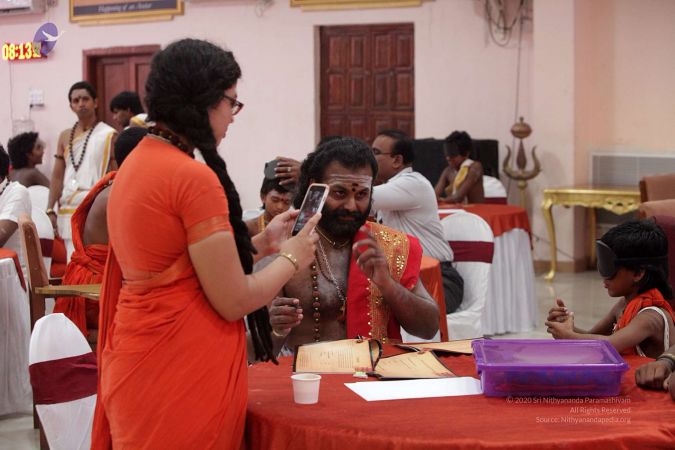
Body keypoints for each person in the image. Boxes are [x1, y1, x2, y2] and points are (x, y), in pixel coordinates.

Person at [91, 38, 319, 450]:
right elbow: (234, 300)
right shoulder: (191, 177)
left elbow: (179, 264)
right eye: (232, 102)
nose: (232, 116)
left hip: (142, 357)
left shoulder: (139, 159)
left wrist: (263, 243)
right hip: (181, 368)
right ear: (204, 101)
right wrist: (292, 256)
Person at [268, 137, 439, 354]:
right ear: (315, 187)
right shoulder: (286, 243)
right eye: (340, 193)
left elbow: (428, 328)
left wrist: (387, 285)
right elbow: (254, 350)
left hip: (376, 370)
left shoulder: (390, 246)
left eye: (361, 194)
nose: (351, 206)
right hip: (304, 371)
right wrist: (276, 330)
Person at [53, 127, 147, 340]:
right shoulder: (121, 192)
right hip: (94, 291)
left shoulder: (117, 184)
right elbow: (138, 251)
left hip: (96, 282)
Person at [546, 220, 675, 359]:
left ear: (638, 273)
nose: (604, 277)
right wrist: (567, 326)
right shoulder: (623, 304)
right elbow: (590, 336)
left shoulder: (650, 316)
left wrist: (569, 336)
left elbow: (610, 344)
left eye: (609, 268)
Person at [371, 129, 464, 314]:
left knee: (379, 310)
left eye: (375, 153)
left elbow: (359, 197)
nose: (369, 159)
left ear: (397, 160)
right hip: (406, 279)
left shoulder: (412, 184)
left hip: (438, 280)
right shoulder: (389, 188)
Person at [47, 81, 118, 259]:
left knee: (94, 260)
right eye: (76, 100)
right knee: (72, 261)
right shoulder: (64, 136)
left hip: (94, 205)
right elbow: (57, 176)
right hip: (68, 207)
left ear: (95, 102)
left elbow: (115, 173)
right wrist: (50, 208)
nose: (81, 104)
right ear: (71, 106)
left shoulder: (109, 135)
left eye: (85, 99)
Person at [434, 130, 484, 203]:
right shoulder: (448, 171)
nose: (448, 158)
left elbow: (458, 197)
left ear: (466, 154)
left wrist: (441, 201)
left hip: (476, 209)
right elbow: (434, 195)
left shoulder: (475, 167)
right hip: (455, 208)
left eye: (452, 154)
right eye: (447, 154)